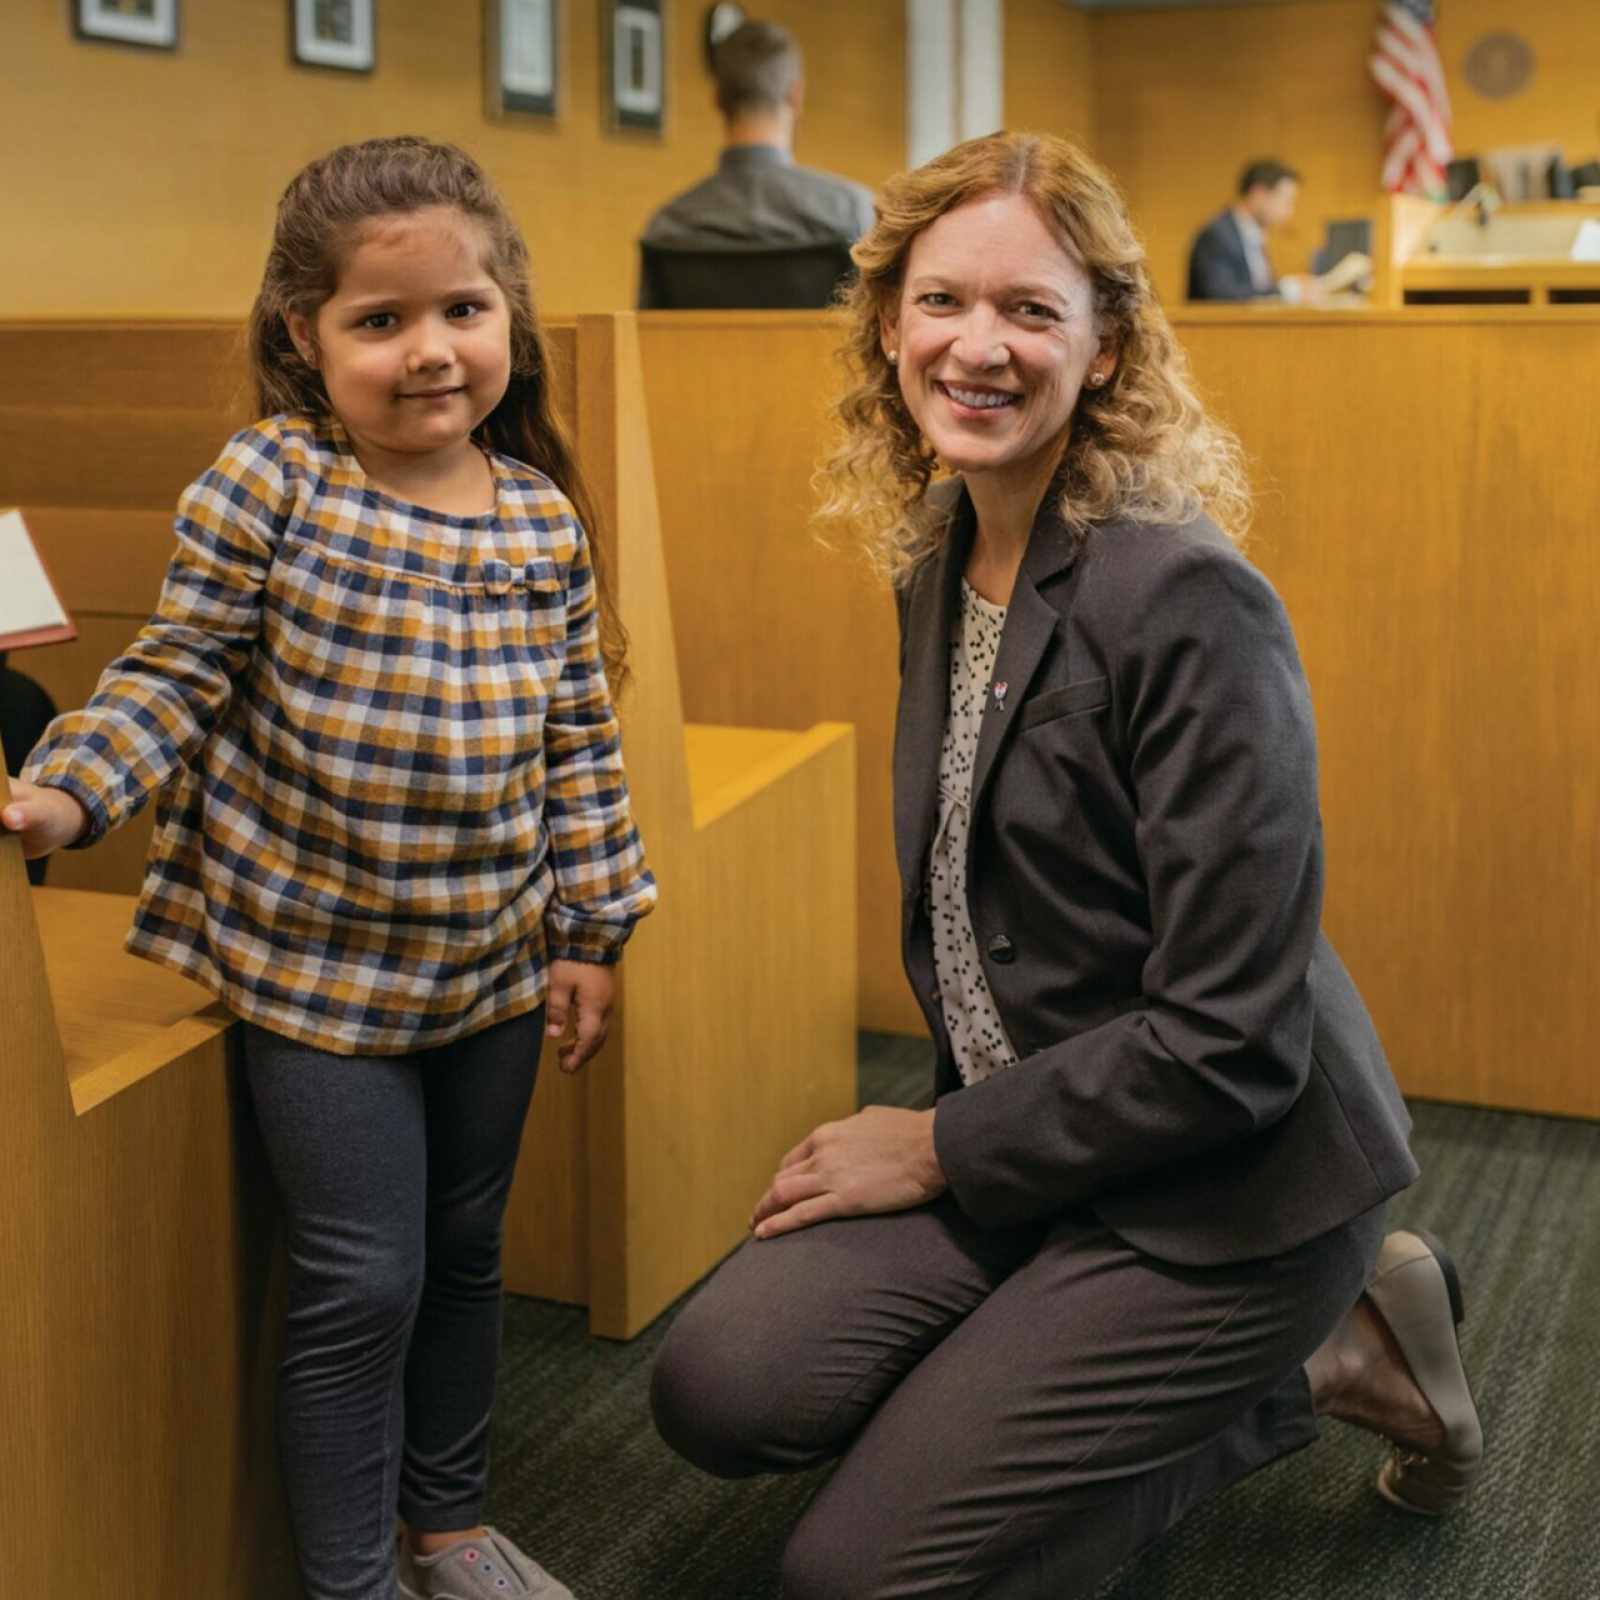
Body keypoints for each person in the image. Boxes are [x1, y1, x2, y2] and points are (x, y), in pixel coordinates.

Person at [650, 131, 1483, 1599]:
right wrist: (968, 1138)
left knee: (856, 1579)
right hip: (1048, 1131)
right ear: (891, 324)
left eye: (1032, 310)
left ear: (1104, 349)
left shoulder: (1185, 597)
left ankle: (1314, 1355)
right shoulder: (941, 550)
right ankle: (1121, 1362)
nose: (979, 346)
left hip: (1233, 1183)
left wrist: (934, 1146)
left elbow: (1230, 1045)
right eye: (943, 302)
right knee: (718, 1389)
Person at [1, 137, 657, 1600]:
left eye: (464, 312)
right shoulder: (276, 482)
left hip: (491, 963)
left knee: (468, 1249)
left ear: (511, 317)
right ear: (305, 333)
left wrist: (593, 932)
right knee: (366, 1278)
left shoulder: (540, 515)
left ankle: (450, 1530)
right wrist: (66, 797)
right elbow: (177, 672)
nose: (431, 352)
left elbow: (576, 740)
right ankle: (352, 1582)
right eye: (381, 321)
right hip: (316, 970)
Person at [636, 19, 875, 305]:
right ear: (795, 95)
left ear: (716, 97)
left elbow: (647, 341)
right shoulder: (852, 213)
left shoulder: (669, 226)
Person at [1187, 157, 1325, 303]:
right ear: (1258, 194)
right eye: (1286, 201)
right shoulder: (1217, 235)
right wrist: (1286, 290)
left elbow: (1256, 288)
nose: (1290, 212)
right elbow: (1221, 296)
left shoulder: (1253, 235)